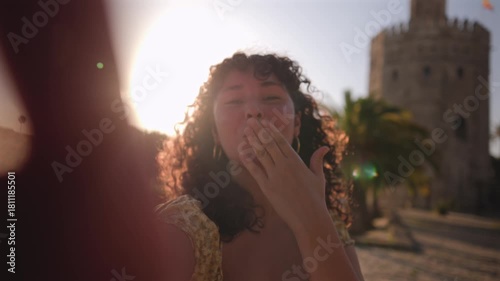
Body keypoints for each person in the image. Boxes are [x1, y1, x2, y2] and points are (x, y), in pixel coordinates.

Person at [154, 52, 365, 281]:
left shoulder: (329, 222)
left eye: (271, 98)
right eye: (234, 101)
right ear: (214, 132)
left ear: (296, 124)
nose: (253, 111)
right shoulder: (185, 227)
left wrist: (312, 219)